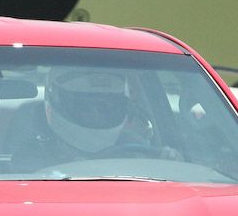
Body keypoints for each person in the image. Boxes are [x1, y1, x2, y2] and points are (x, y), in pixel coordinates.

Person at [10, 66, 154, 169]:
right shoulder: (32, 155)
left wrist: (169, 158)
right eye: (84, 106)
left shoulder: (134, 148)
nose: (96, 114)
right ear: (58, 105)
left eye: (107, 107)